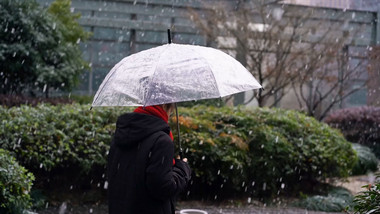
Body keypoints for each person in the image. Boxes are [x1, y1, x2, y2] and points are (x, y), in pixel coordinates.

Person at [107, 103, 191, 214]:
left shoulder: (122, 133)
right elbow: (163, 188)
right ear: (166, 105)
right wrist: (182, 169)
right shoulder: (161, 141)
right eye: (172, 107)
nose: (171, 113)